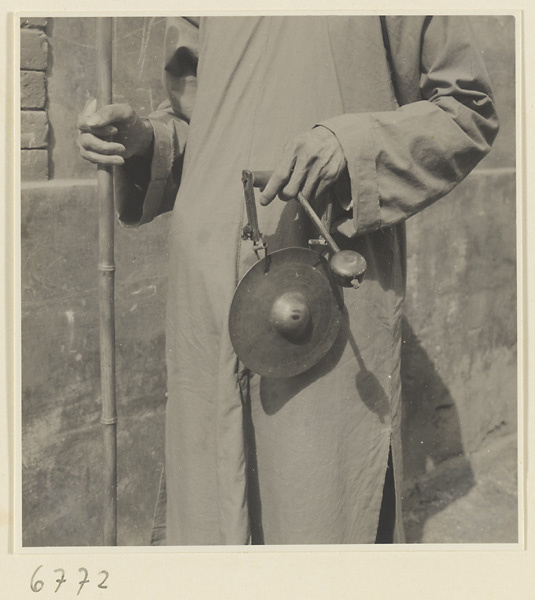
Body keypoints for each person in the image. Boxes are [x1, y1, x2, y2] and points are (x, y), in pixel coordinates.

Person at [77, 15, 498, 545]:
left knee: (317, 507)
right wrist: (142, 141)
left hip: (321, 281)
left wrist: (351, 144)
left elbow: (467, 111)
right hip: (206, 290)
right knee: (210, 504)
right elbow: (195, 127)